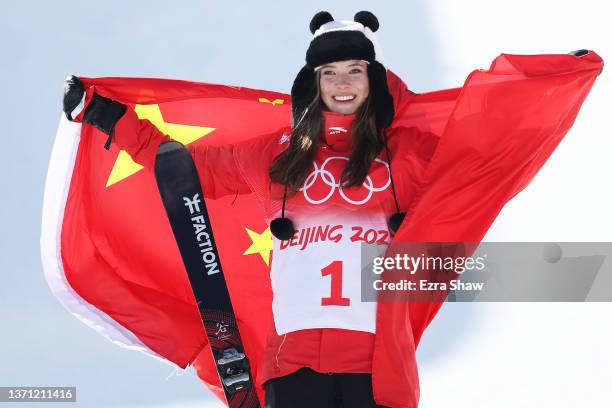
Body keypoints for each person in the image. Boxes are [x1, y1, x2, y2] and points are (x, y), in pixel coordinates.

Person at [61, 10, 602, 408]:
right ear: (313, 84)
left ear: (373, 80)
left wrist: (550, 85)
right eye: (330, 74)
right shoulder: (274, 157)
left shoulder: (409, 158)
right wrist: (108, 116)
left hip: (376, 366)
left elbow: (485, 160)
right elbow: (186, 170)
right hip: (291, 366)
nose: (343, 84)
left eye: (354, 72)